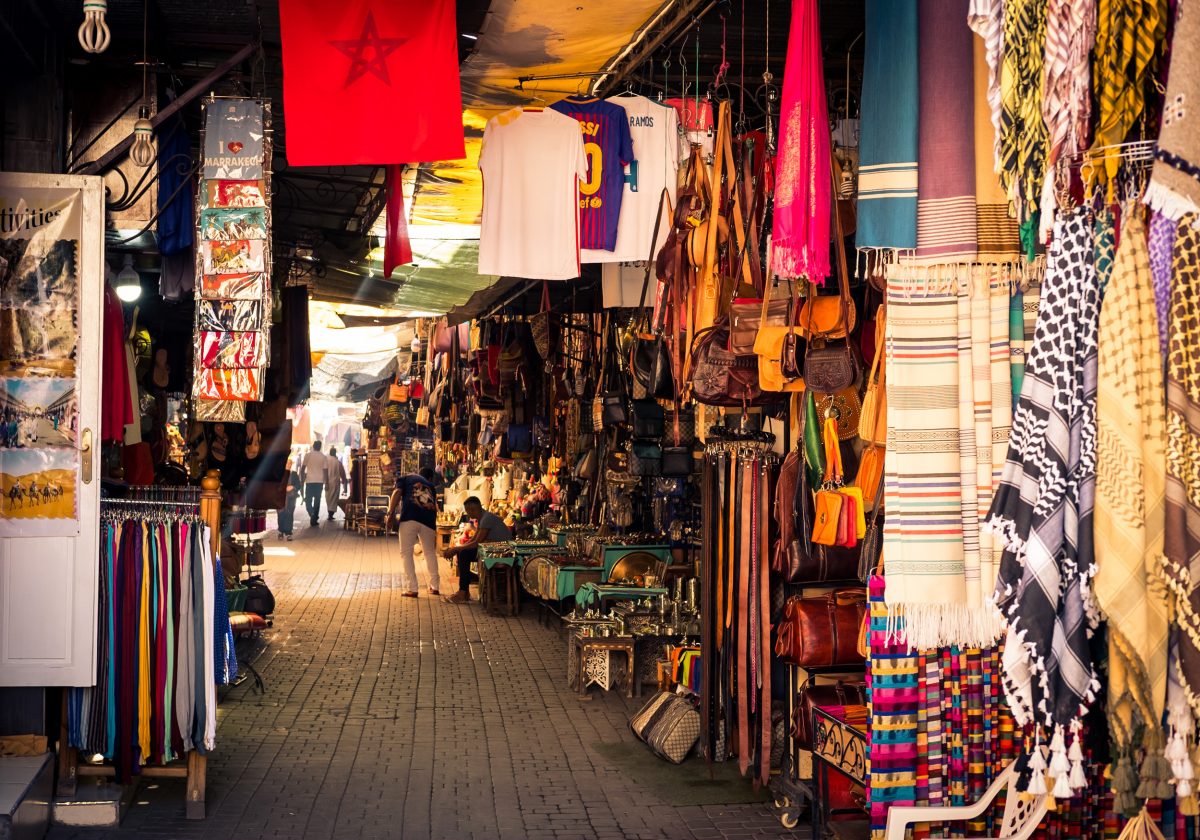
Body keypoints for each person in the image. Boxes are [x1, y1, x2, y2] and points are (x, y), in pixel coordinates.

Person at [443, 496, 513, 604]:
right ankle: (464, 592)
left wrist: (456, 549)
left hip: (502, 552)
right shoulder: (482, 518)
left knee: (464, 554)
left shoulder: (487, 518)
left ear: (473, 509)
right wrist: (456, 549)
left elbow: (476, 543)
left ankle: (463, 592)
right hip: (492, 549)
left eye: (468, 511)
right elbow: (473, 539)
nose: (467, 513)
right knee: (463, 553)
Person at [392, 467, 441, 598]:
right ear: (429, 478)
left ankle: (412, 588)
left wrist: (390, 513)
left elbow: (397, 492)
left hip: (410, 517)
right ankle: (435, 587)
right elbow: (434, 506)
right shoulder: (431, 486)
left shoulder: (405, 478)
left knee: (406, 553)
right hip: (428, 521)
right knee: (429, 552)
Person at [301, 441, 328, 527]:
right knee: (317, 501)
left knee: (308, 500)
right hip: (319, 482)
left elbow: (302, 469)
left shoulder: (308, 455)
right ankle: (314, 518)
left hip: (309, 481)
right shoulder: (323, 457)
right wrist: (327, 482)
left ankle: (311, 513)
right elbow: (325, 471)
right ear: (320, 447)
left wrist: (302, 479)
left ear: (313, 446)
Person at [277, 461, 300, 541]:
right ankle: (280, 531)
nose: (288, 465)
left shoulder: (294, 474)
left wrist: (293, 487)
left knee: (289, 514)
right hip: (280, 498)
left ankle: (288, 533)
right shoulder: (279, 474)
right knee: (281, 514)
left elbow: (299, 485)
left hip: (291, 498)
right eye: (287, 464)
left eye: (290, 464)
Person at [324, 446, 347, 521]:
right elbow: (342, 471)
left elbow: (324, 471)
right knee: (334, 498)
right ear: (335, 453)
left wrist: (325, 482)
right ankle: (331, 513)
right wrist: (343, 480)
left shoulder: (326, 460)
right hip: (336, 483)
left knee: (328, 498)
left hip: (328, 482)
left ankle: (329, 513)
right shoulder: (337, 462)